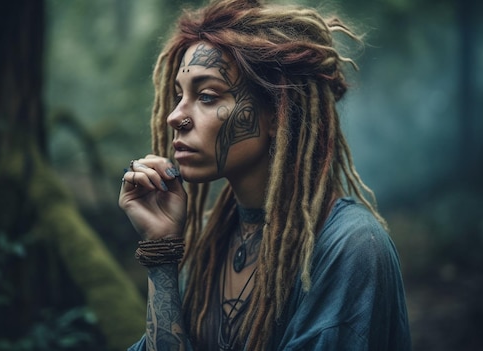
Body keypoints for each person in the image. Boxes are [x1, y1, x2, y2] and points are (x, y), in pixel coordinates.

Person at [119, 0, 411, 350]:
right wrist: (161, 248)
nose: (174, 116)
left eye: (207, 96)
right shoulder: (209, 242)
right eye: (180, 96)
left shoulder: (351, 246)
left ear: (276, 112)